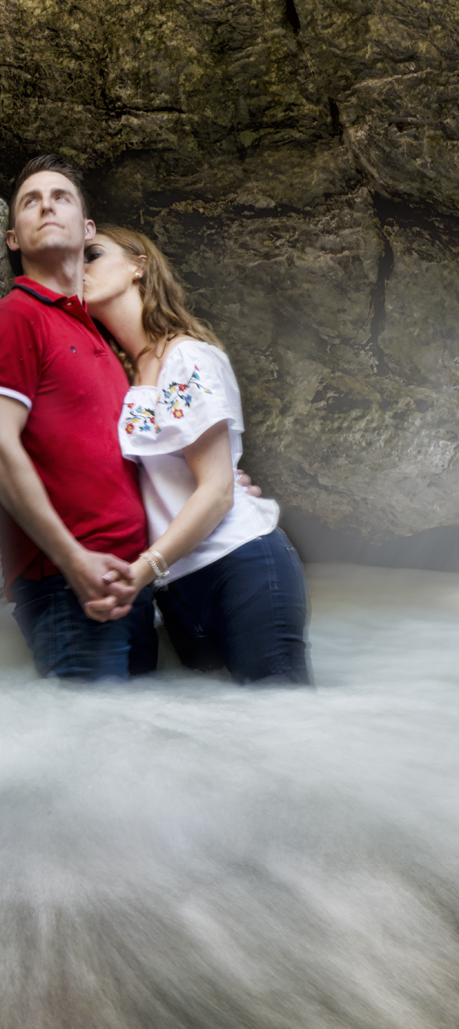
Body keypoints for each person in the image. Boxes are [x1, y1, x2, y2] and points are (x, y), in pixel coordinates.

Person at [81, 226, 311, 685]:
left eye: (92, 254)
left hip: (238, 564)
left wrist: (140, 572)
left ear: (137, 265)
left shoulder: (186, 359)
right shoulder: (122, 375)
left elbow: (219, 491)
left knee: (284, 722)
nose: (78, 268)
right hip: (177, 589)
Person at [0, 156, 157, 680]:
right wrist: (74, 560)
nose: (46, 205)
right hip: (67, 584)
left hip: (131, 580)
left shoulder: (100, 336)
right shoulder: (15, 318)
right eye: (31, 201)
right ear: (13, 239)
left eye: (61, 197)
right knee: (93, 754)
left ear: (87, 228)